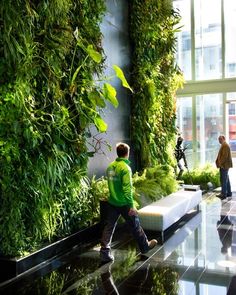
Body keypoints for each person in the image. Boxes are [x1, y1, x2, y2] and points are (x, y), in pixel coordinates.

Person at [100, 142, 157, 263]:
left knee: (109, 227)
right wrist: (131, 206)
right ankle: (145, 246)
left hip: (112, 202)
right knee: (135, 225)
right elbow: (127, 188)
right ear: (127, 153)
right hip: (124, 204)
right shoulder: (125, 168)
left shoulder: (110, 167)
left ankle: (104, 252)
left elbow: (111, 184)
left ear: (118, 153)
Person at [215, 135, 233, 200]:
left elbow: (224, 157)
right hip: (225, 165)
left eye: (220, 139)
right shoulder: (224, 145)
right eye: (218, 139)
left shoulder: (225, 145)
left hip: (224, 165)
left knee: (223, 180)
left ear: (224, 139)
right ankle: (229, 193)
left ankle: (223, 194)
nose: (219, 140)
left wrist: (220, 163)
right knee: (226, 179)